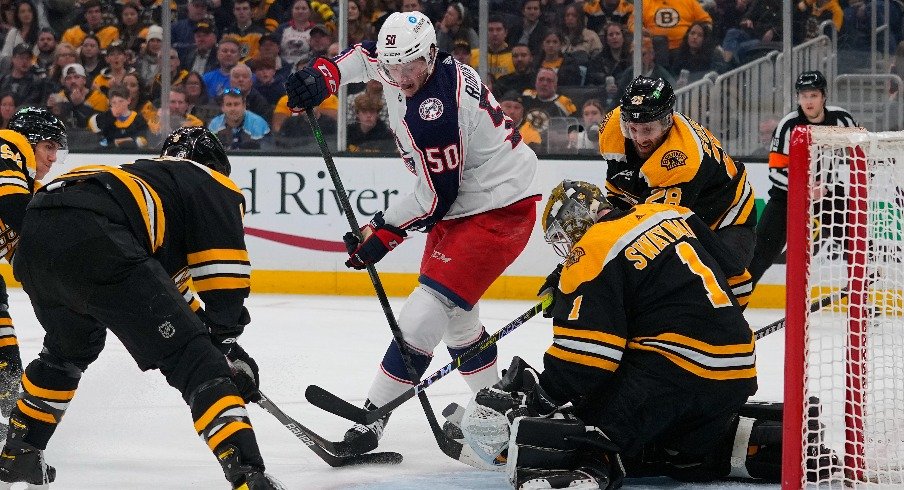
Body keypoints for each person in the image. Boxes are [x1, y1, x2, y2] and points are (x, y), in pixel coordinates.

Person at [457, 180, 836, 489]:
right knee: (679, 456)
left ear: (574, 224)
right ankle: (777, 443)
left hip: (672, 373)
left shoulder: (592, 248)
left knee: (588, 425)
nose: (567, 248)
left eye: (565, 236)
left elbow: (589, 359)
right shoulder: (669, 212)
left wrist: (544, 395)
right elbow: (737, 282)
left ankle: (589, 467)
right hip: (736, 372)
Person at [285, 10, 540, 455]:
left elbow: (435, 196)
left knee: (424, 314)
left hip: (497, 210)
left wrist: (382, 232)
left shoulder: (435, 110)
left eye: (410, 68)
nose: (400, 78)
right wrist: (324, 76)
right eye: (394, 67)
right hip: (467, 206)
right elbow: (365, 59)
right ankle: (499, 410)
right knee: (458, 323)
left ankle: (372, 417)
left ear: (430, 55)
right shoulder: (402, 65)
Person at [0, 126, 283, 490]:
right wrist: (223, 346)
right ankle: (248, 475)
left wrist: (224, 345)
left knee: (68, 350)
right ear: (214, 165)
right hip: (97, 234)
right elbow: (224, 280)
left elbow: (171, 293)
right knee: (196, 362)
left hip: (36, 235)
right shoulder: (209, 181)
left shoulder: (143, 177)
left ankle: (19, 453)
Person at [599, 75, 757, 266]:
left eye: (648, 130)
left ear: (667, 122)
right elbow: (619, 185)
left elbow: (652, 225)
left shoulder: (682, 158)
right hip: (679, 208)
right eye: (632, 129)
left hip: (726, 215)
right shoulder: (612, 128)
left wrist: (609, 218)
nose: (639, 139)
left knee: (726, 274)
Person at [748, 70, 857, 286]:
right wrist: (805, 189)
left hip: (828, 195)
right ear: (798, 98)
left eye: (814, 95)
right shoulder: (788, 125)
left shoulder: (842, 119)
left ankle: (865, 296)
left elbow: (860, 156)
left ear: (824, 96)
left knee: (858, 240)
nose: (808, 101)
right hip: (788, 197)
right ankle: (731, 310)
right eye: (804, 96)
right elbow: (776, 170)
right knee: (759, 256)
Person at [0, 107, 67, 439]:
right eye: (48, 147)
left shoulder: (28, 192)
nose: (53, 158)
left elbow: (27, 261)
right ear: (29, 143)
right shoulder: (8, 142)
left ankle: (9, 405)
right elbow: (15, 211)